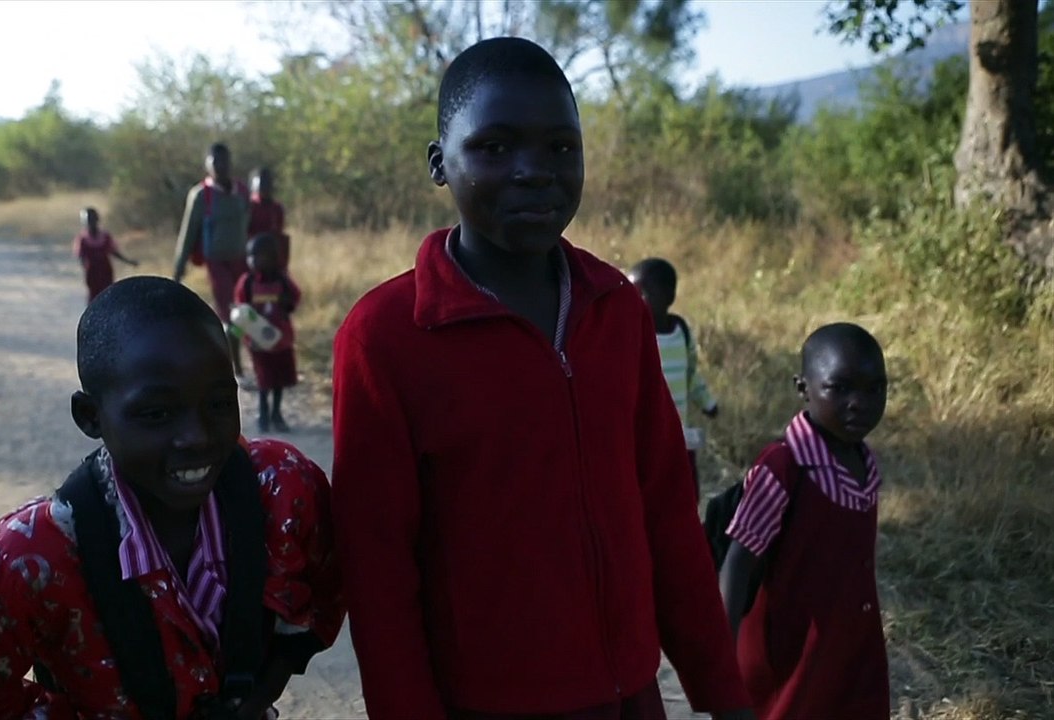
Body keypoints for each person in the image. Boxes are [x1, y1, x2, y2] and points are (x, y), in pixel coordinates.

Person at [331, 37, 753, 720]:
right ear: (439, 163)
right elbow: (377, 572)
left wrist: (723, 693)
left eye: (560, 147)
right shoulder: (385, 337)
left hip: (629, 696)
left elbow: (668, 515)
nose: (534, 172)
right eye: (495, 147)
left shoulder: (616, 309)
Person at [0, 276, 344, 720]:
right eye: (156, 413)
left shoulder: (282, 489)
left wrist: (258, 693)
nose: (197, 437)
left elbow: (326, 588)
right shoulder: (31, 557)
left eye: (218, 403)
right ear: (90, 417)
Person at [719, 322, 890, 720]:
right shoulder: (783, 468)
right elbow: (737, 565)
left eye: (874, 389)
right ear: (803, 388)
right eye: (840, 388)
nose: (859, 403)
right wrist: (721, 671)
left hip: (852, 653)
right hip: (789, 663)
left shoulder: (862, 459)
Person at [627, 258, 718, 498]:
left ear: (668, 296)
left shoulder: (681, 332)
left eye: (642, 294)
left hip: (679, 438)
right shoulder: (631, 333)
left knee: (685, 495)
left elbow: (691, 375)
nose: (635, 300)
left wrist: (707, 403)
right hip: (643, 440)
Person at [173, 143, 251, 378]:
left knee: (244, 312)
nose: (220, 166)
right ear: (207, 164)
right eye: (215, 162)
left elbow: (252, 224)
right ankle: (234, 367)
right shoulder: (201, 195)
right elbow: (188, 232)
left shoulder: (241, 191)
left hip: (242, 261)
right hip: (217, 262)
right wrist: (179, 268)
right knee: (229, 314)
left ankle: (239, 358)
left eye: (224, 161)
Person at [235, 233, 300, 434]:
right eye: (251, 256)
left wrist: (286, 304)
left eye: (259, 256)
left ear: (272, 257)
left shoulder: (282, 280)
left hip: (280, 339)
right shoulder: (247, 282)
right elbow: (241, 306)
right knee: (264, 379)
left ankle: (276, 414)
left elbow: (295, 297)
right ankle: (263, 414)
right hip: (258, 341)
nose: (254, 261)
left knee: (280, 379)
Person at [72, 207, 138, 305]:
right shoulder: (82, 239)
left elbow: (114, 252)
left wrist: (128, 261)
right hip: (92, 273)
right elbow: (80, 256)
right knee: (93, 299)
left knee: (108, 296)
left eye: (92, 219)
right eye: (88, 220)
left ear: (97, 219)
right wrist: (85, 269)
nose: (91, 222)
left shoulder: (105, 236)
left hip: (105, 271)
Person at [247, 167, 289, 270]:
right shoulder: (250, 206)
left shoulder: (277, 208)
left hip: (272, 256)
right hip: (254, 255)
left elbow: (278, 232)